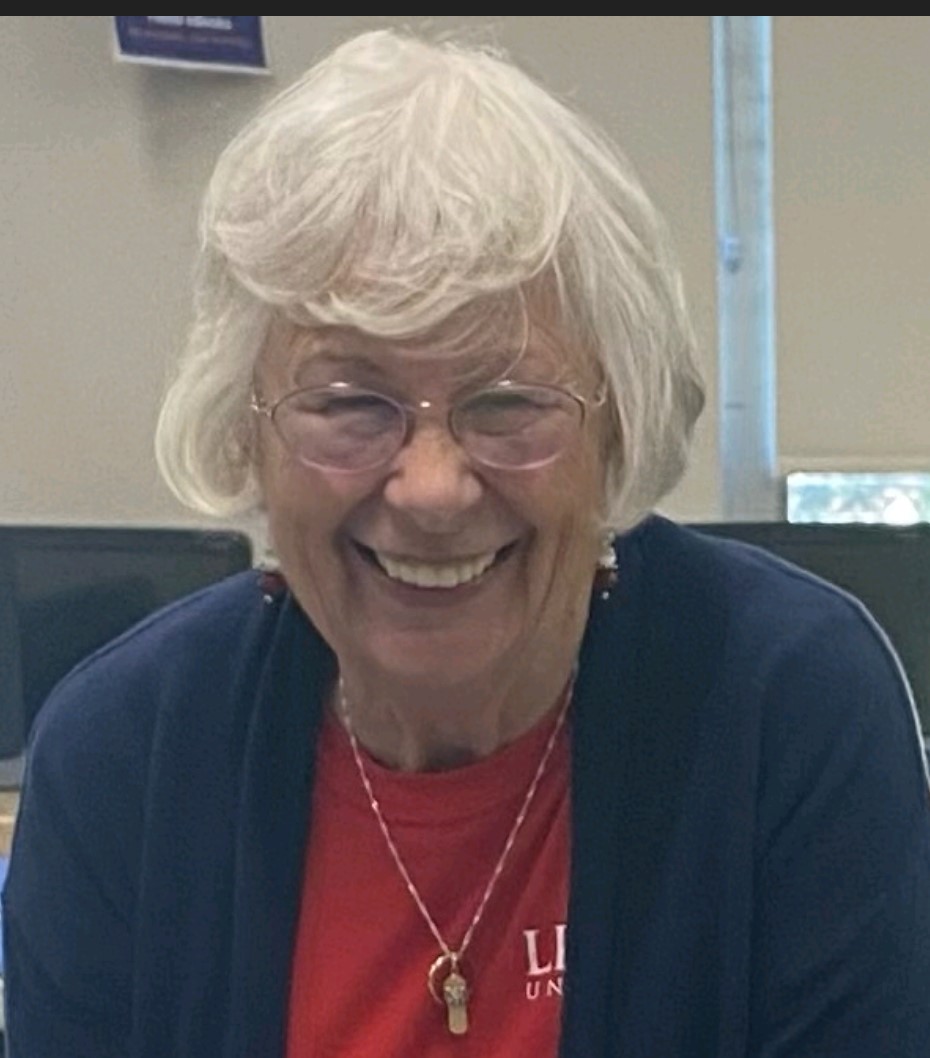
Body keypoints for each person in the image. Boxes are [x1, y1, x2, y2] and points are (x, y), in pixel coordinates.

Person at [3, 26, 930, 1058]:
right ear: (244, 430)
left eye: (508, 400)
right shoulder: (121, 760)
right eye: (349, 402)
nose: (434, 488)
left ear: (616, 427)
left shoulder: (787, 710)